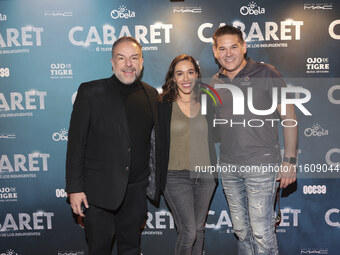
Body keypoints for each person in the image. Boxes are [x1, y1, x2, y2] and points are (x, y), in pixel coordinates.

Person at [65, 36, 161, 255]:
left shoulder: (152, 94)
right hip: (97, 194)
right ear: (112, 62)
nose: (128, 64)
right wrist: (75, 189)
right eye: (121, 58)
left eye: (134, 58)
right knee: (98, 249)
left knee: (131, 248)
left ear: (142, 61)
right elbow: (76, 144)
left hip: (136, 191)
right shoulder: (90, 92)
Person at [210, 25, 297, 255]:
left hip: (262, 164)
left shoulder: (266, 72)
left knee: (261, 232)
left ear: (244, 47)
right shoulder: (214, 83)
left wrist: (289, 160)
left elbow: (289, 116)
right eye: (223, 48)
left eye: (234, 47)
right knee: (241, 231)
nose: (228, 53)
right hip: (228, 167)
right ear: (215, 51)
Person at [158, 54, 217, 255]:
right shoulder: (163, 104)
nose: (185, 78)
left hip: (206, 176)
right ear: (173, 77)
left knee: (199, 230)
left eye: (190, 72)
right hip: (175, 176)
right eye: (179, 73)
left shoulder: (208, 102)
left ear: (197, 75)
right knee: (189, 233)